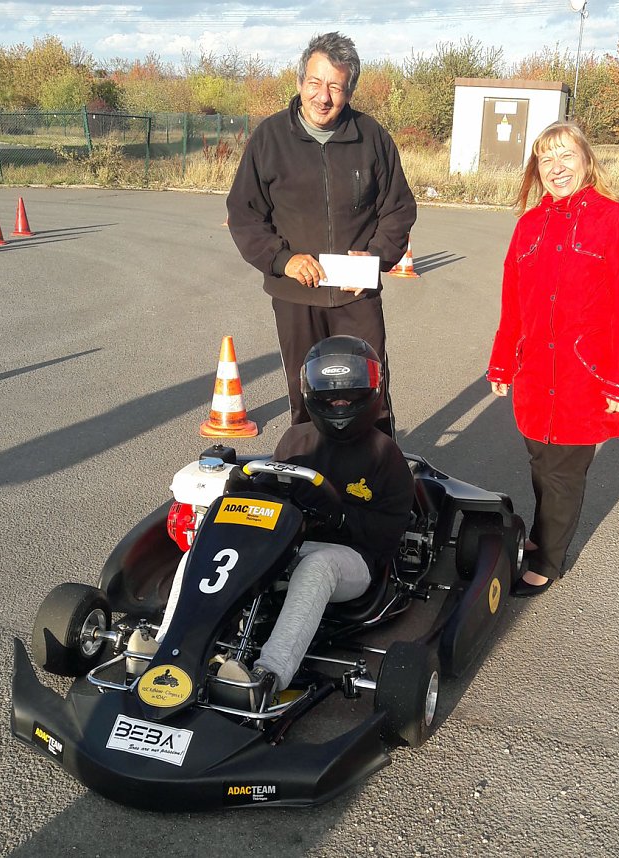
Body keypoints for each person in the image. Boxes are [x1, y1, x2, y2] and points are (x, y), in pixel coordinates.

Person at [226, 31, 417, 438]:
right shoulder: (270, 138)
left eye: (335, 86)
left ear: (350, 90)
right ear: (299, 83)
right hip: (295, 295)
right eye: (315, 82)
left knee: (370, 396)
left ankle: (375, 485)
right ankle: (311, 483)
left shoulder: (372, 138)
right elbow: (244, 214)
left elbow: (398, 209)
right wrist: (283, 259)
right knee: (308, 399)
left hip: (357, 297)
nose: (323, 96)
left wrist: (377, 256)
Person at [486, 121, 619, 597]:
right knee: (541, 456)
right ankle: (544, 533)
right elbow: (512, 300)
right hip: (537, 368)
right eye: (546, 159)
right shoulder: (528, 225)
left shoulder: (614, 220)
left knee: (564, 468)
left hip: (585, 372)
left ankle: (550, 559)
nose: (557, 168)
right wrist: (502, 362)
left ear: (586, 160)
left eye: (566, 157)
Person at [217, 335, 414, 707]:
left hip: (353, 561)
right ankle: (168, 644)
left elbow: (388, 539)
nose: (339, 402)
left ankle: (268, 677)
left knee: (317, 567)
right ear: (311, 390)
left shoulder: (385, 456)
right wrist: (246, 489)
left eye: (349, 394)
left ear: (371, 390)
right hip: (292, 543)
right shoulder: (296, 440)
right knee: (217, 542)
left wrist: (339, 516)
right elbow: (271, 500)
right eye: (330, 394)